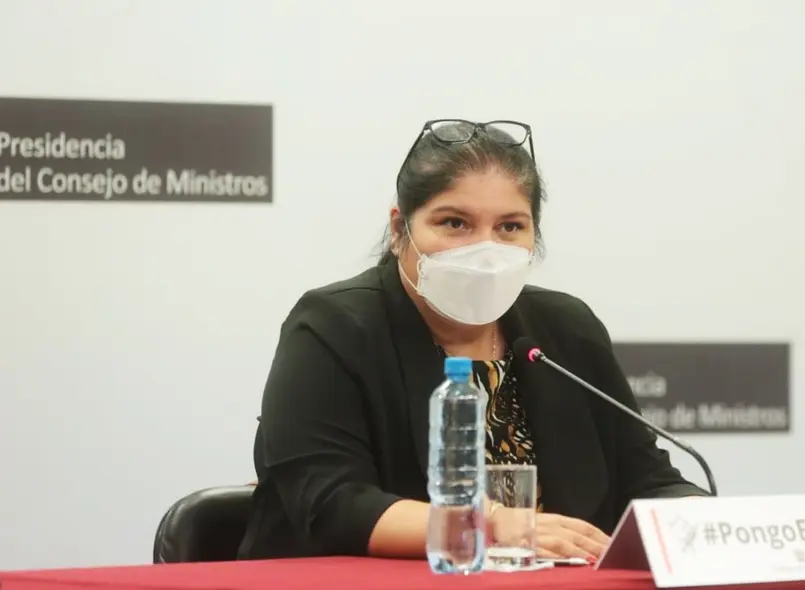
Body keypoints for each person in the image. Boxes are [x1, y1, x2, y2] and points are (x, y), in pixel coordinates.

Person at [237, 119, 708, 562]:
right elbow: (332, 503)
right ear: (401, 229)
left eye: (509, 227)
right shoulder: (333, 326)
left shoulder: (566, 328)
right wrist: (494, 525)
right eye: (455, 223)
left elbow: (644, 479)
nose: (485, 249)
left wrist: (715, 523)